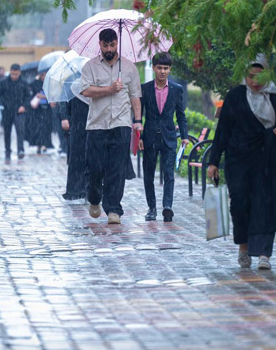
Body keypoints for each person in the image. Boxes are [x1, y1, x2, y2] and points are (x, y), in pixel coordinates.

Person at [206, 54, 276, 271]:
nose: (255, 81)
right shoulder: (235, 96)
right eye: (250, 76)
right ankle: (244, 247)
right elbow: (223, 131)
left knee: (265, 204)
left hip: (267, 158)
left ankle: (265, 254)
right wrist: (214, 161)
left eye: (259, 76)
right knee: (240, 204)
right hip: (238, 160)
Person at [79, 28, 143, 225]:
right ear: (99, 44)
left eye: (112, 45)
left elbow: (135, 96)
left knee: (117, 168)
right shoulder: (90, 67)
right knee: (95, 168)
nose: (109, 49)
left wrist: (138, 121)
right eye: (105, 45)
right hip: (97, 124)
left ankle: (114, 208)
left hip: (121, 123)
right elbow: (85, 91)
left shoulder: (129, 68)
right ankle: (94, 198)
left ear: (117, 44)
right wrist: (109, 89)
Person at [139, 52, 188, 222]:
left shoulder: (176, 89)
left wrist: (184, 136)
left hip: (169, 137)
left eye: (166, 68)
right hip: (150, 137)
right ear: (153, 68)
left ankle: (167, 206)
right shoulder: (145, 89)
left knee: (169, 174)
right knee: (148, 174)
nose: (162, 71)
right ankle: (151, 208)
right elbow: (138, 114)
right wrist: (139, 136)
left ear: (170, 69)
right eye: (159, 68)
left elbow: (181, 114)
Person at [0, 63, 31, 161]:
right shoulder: (3, 83)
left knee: (20, 131)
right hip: (7, 111)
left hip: (19, 111)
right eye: (12, 74)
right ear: (10, 72)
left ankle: (20, 150)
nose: (14, 76)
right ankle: (7, 151)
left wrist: (24, 106)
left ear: (19, 73)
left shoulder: (24, 83)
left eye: (16, 74)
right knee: (7, 132)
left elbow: (28, 97)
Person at [59, 94, 90, 200]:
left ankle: (92, 188)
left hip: (94, 120)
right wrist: (64, 117)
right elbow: (63, 99)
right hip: (76, 121)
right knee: (76, 155)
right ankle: (76, 189)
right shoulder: (70, 84)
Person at [27, 69, 54, 154]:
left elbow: (52, 96)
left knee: (46, 127)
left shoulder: (50, 84)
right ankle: (38, 144)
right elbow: (30, 94)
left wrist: (43, 96)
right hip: (37, 110)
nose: (44, 77)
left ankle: (45, 144)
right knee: (38, 127)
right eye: (43, 75)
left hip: (47, 109)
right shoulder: (35, 84)